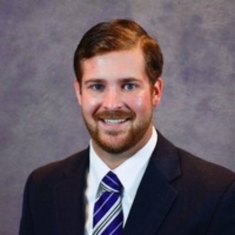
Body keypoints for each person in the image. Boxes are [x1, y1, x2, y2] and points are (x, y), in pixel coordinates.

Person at [19, 19, 235, 235]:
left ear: (156, 91)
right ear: (79, 93)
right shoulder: (42, 187)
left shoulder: (217, 193)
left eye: (129, 86)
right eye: (97, 86)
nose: (112, 104)